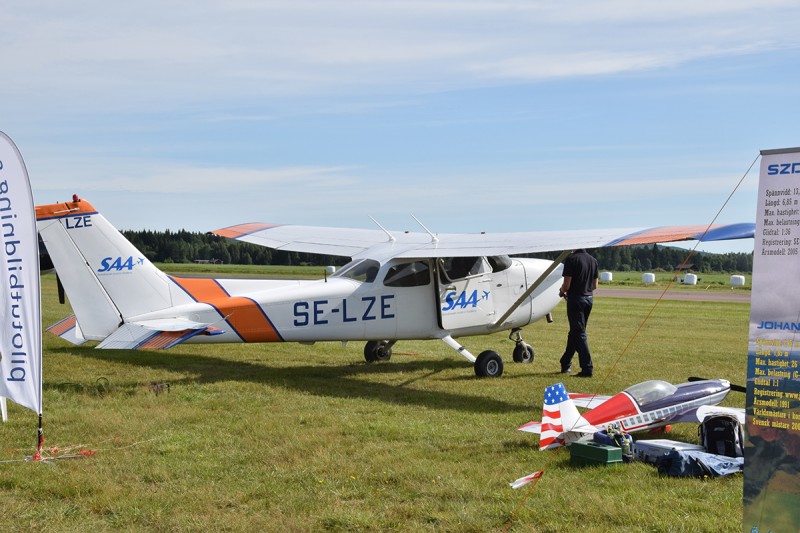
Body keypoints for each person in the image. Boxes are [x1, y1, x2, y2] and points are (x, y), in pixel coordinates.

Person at [558, 249, 598, 377]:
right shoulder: (593, 260)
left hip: (576, 300)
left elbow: (566, 285)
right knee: (576, 332)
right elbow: (595, 285)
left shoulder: (571, 260)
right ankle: (565, 362)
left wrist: (562, 291)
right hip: (589, 299)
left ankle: (587, 368)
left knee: (579, 334)